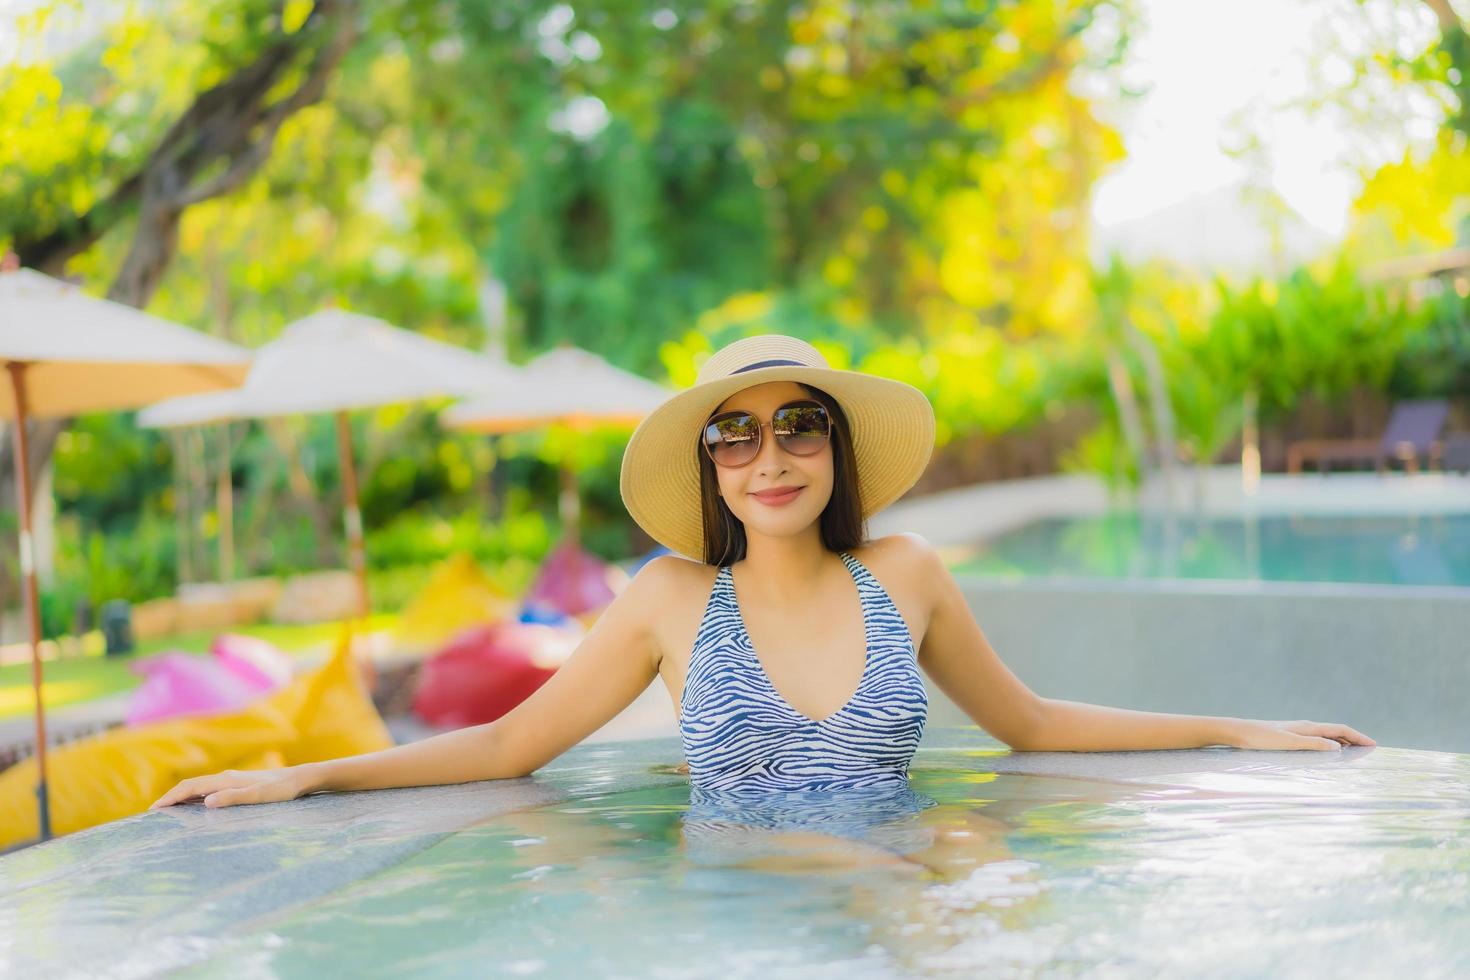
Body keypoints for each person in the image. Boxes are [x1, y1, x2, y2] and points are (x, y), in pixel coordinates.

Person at [151, 335, 1374, 811]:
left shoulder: (908, 572)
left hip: (902, 898)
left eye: (798, 426)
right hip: (741, 920)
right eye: (734, 433)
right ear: (709, 467)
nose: (768, 454)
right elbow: (506, 745)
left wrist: (1235, 726)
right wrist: (305, 774)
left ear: (834, 447)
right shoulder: (671, 601)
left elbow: (1033, 722)